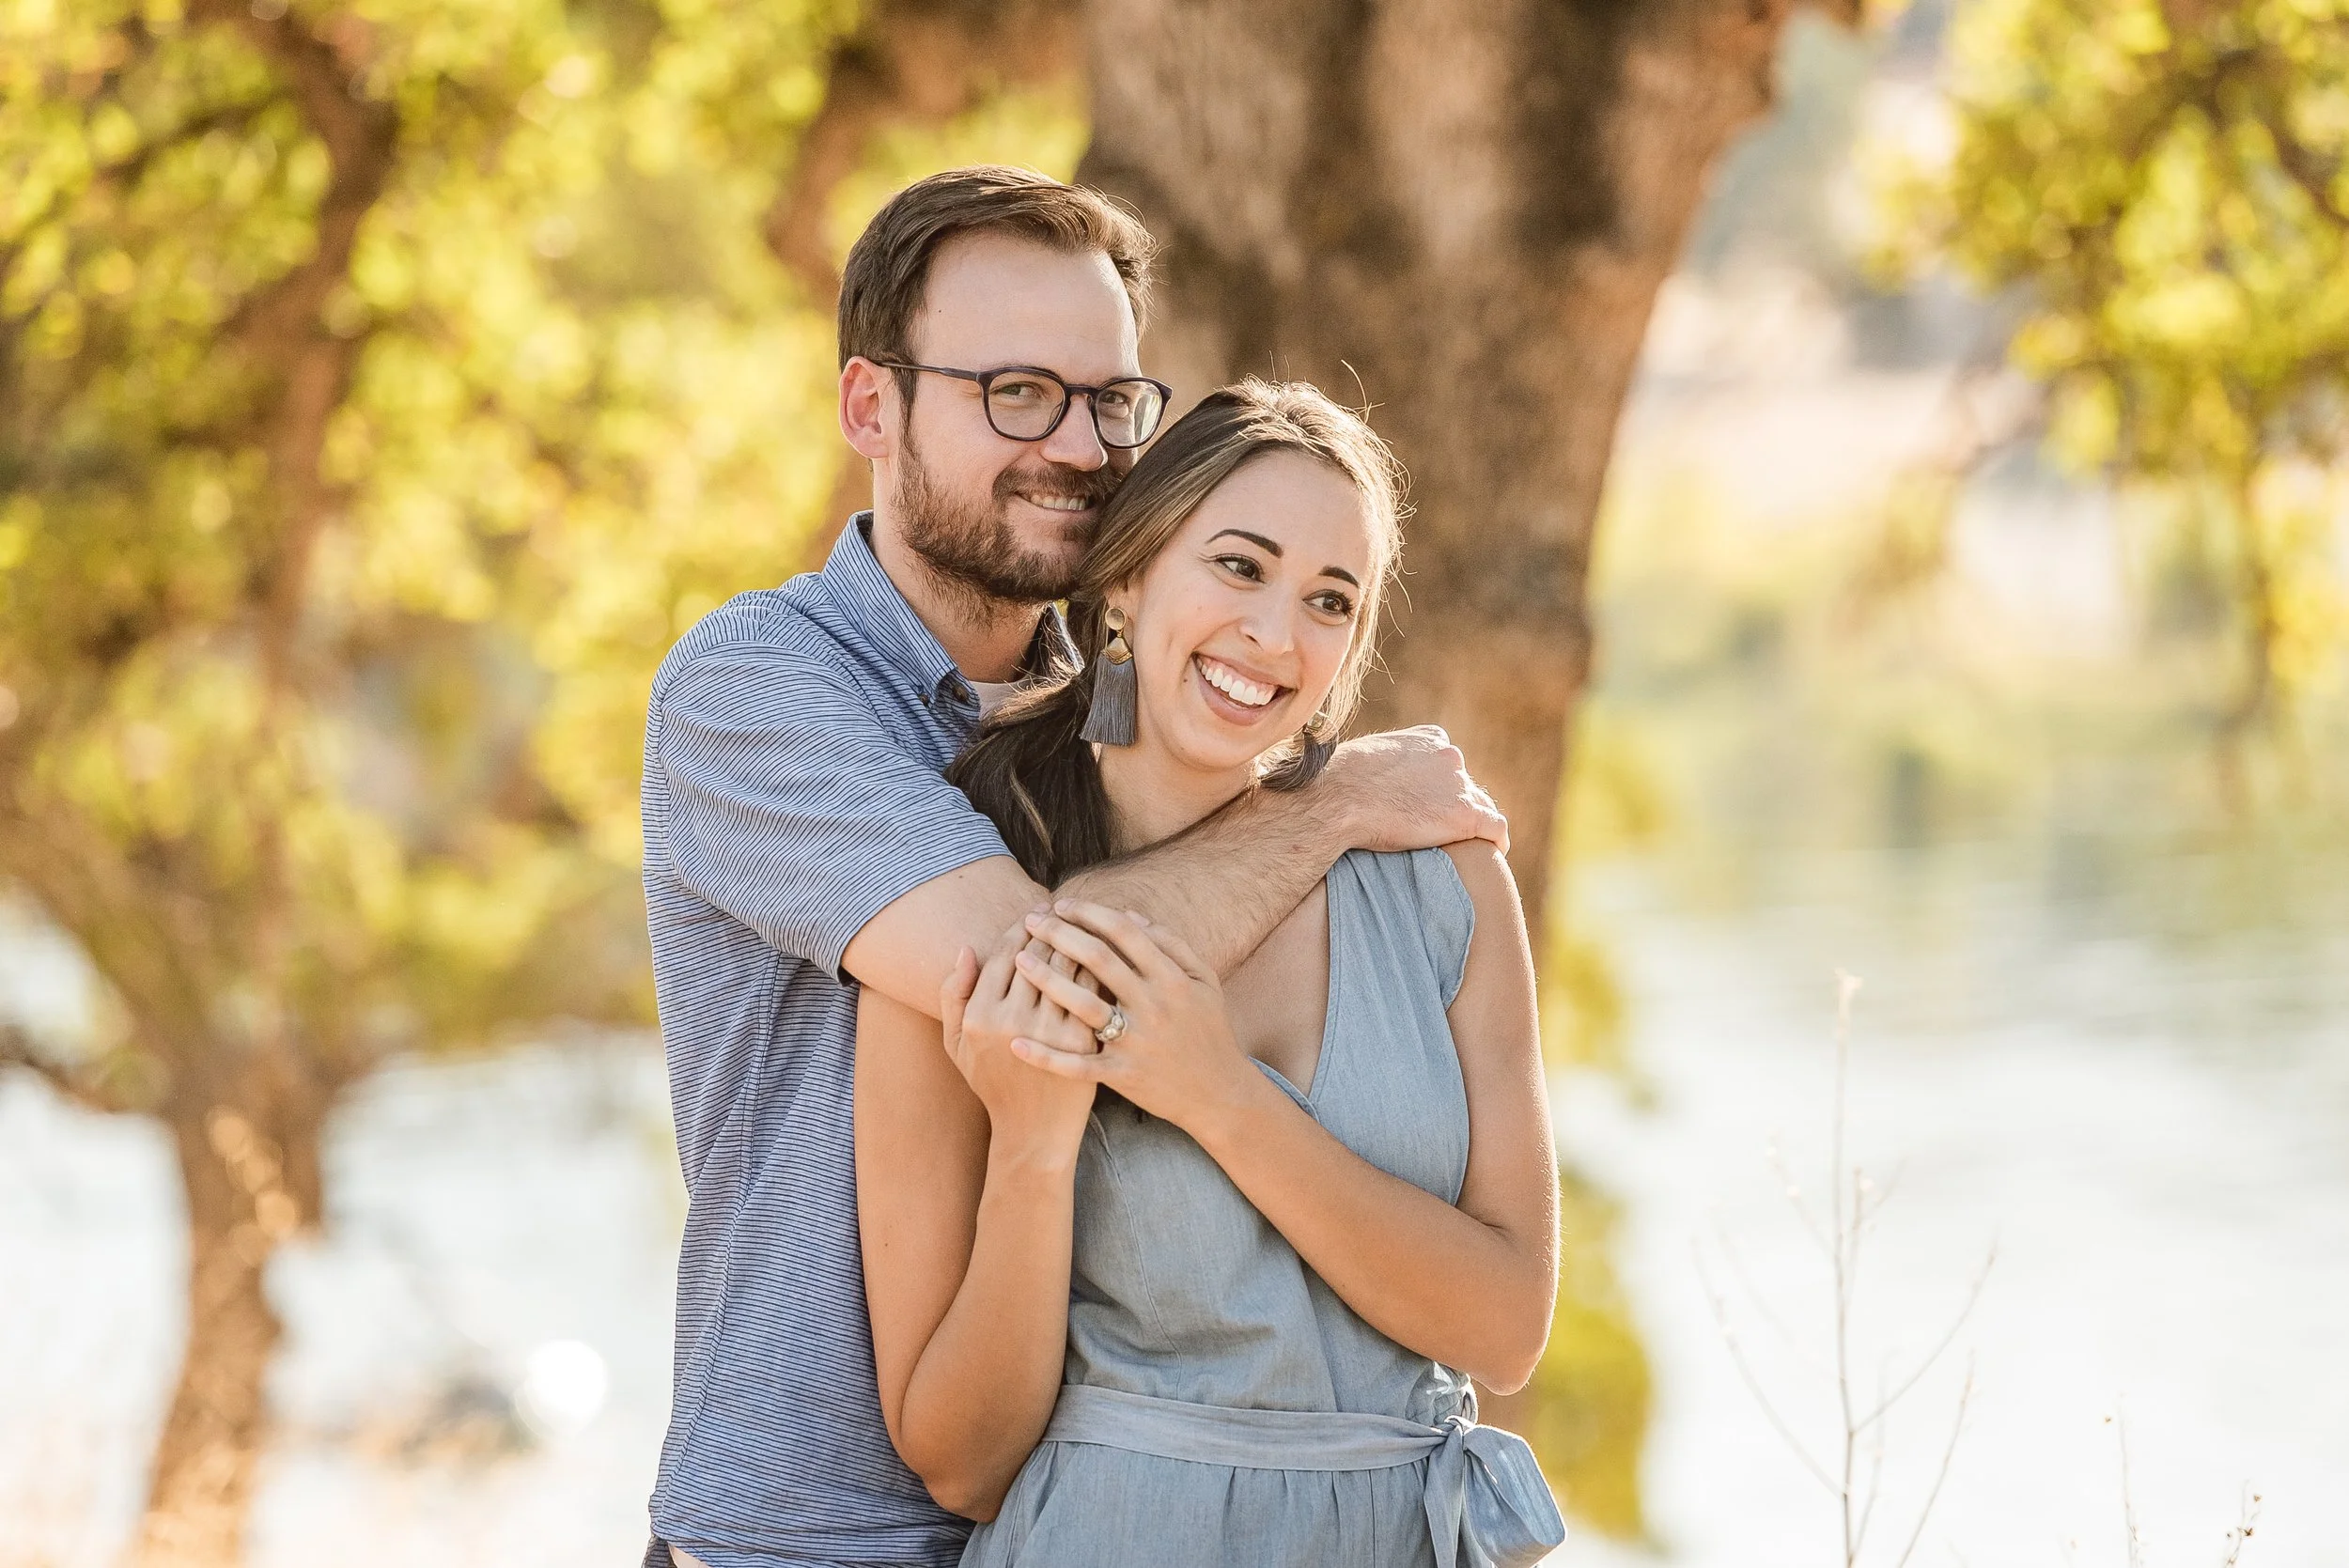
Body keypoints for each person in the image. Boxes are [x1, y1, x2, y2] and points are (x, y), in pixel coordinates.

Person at [639, 167, 1505, 1568]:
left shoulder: (1110, 725)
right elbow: (1033, 982)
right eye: (1015, 392)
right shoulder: (753, 688)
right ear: (872, 407)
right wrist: (1327, 806)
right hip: (806, 1537)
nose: (1079, 448)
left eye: (1109, 400)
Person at [856, 380, 1566, 1568]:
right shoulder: (968, 894)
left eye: (1328, 601)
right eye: (1238, 566)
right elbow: (960, 1460)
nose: (1276, 637)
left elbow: (1504, 1329)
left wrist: (1217, 1096)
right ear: (1126, 577)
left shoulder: (1443, 880)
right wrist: (1035, 1147)